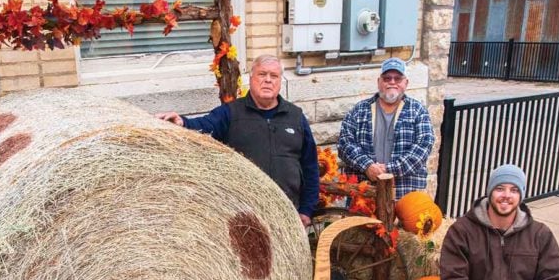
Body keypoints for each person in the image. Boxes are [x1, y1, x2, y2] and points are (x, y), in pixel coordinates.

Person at [156, 54, 319, 227]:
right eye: (262, 74)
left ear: (280, 81)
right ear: (251, 78)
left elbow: (310, 165)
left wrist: (307, 210)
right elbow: (205, 126)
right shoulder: (231, 113)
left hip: (288, 212)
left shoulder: (295, 117)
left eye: (274, 76)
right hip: (244, 215)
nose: (268, 80)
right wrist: (182, 122)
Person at [337, 57, 435, 198]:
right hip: (364, 193)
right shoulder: (359, 110)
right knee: (362, 220)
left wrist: (390, 170)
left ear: (406, 83)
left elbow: (423, 148)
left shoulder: (418, 111)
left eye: (397, 78)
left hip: (405, 194)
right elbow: (344, 144)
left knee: (408, 219)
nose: (392, 82)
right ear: (379, 82)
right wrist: (368, 166)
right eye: (387, 78)